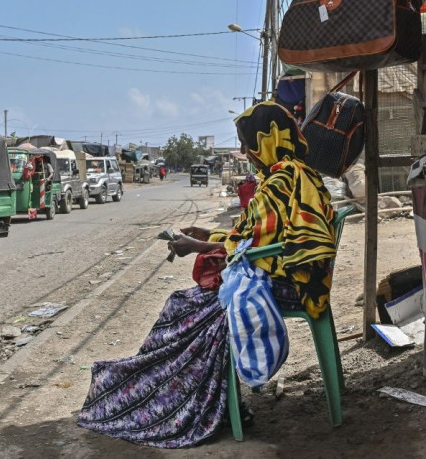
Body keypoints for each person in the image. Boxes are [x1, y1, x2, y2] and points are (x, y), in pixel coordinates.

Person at [77, 94, 336, 448]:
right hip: (292, 280)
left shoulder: (282, 180)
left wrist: (197, 247)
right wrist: (208, 236)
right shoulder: (293, 174)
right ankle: (196, 398)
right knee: (183, 304)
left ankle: (174, 403)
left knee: (183, 308)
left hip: (288, 285)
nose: (245, 153)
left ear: (268, 139)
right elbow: (254, 237)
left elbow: (256, 247)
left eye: (249, 145)